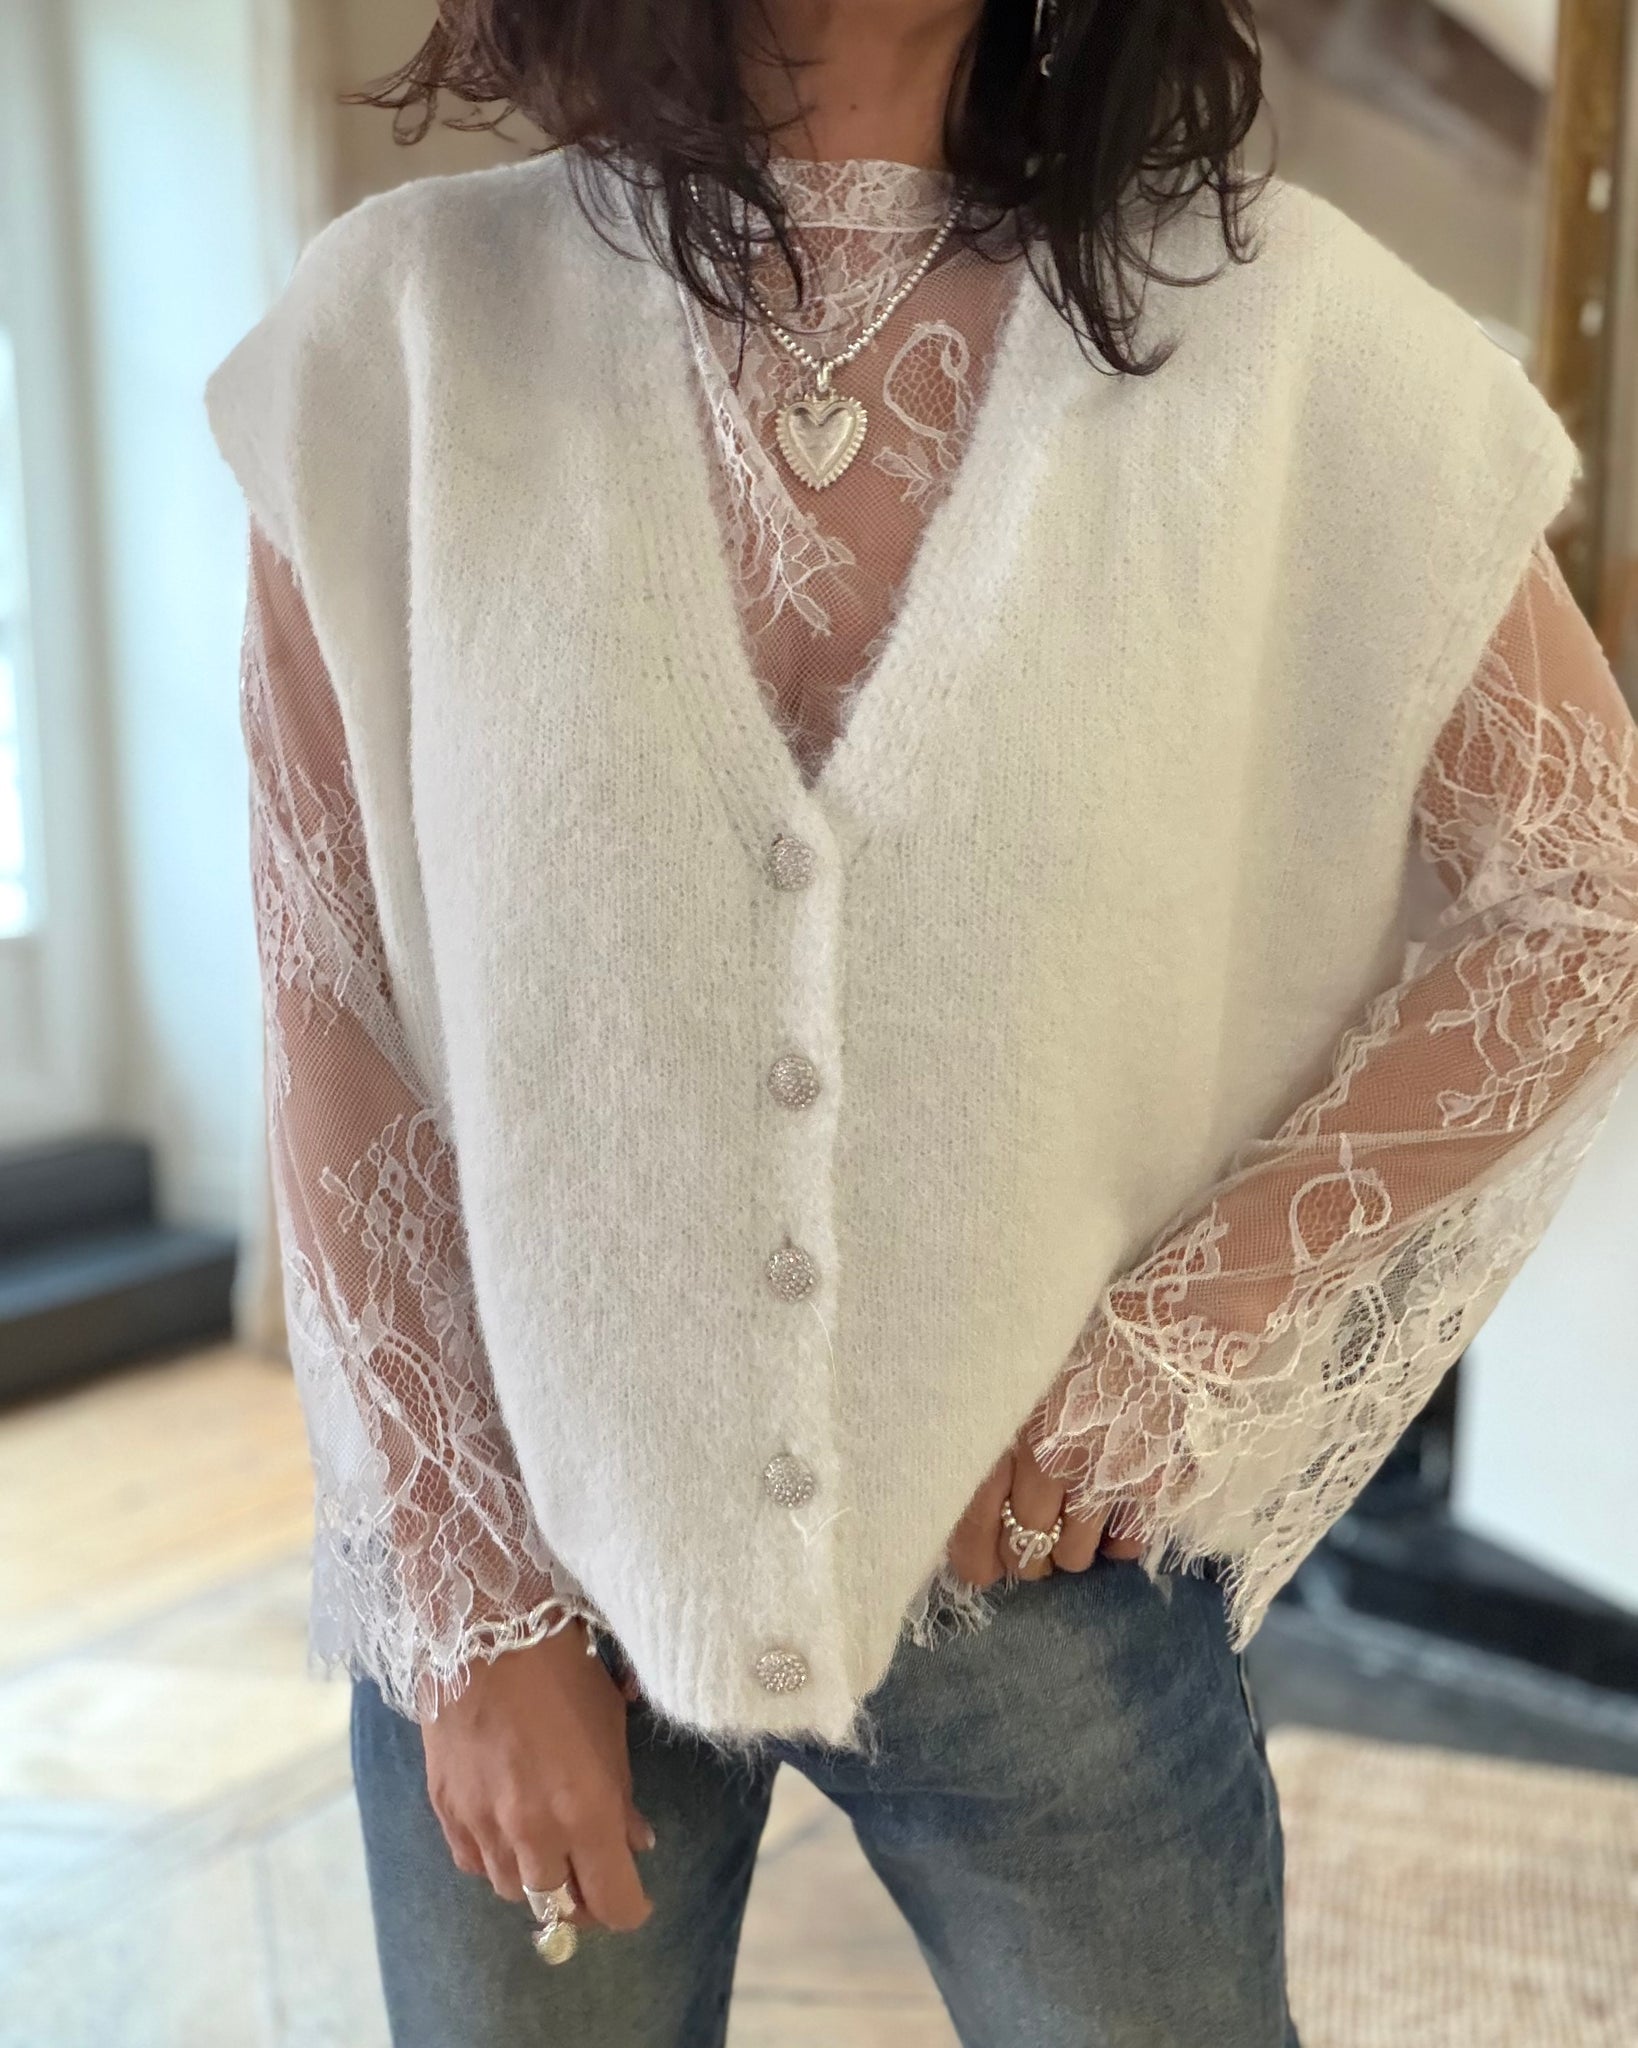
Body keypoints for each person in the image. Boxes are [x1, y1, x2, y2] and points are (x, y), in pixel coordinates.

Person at [205, 1, 1638, 2041]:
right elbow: (327, 983)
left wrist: (1182, 1342)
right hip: (527, 1581)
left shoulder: (1282, 338)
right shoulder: (406, 334)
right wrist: (462, 1593)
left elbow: (1586, 890)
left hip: (1043, 1591)